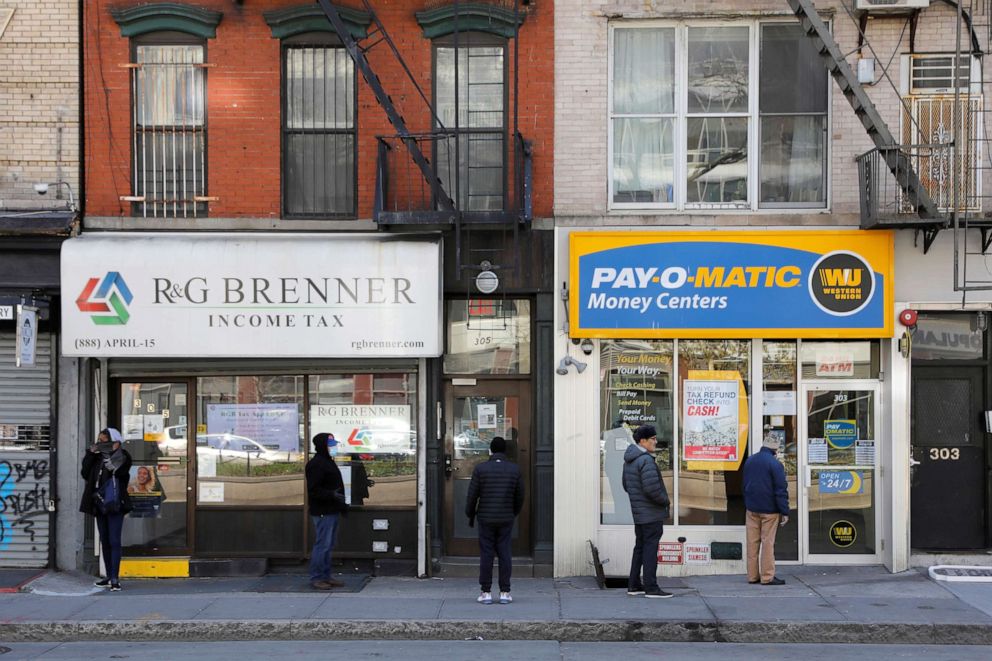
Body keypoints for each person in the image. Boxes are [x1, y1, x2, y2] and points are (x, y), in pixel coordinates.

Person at [465, 436, 524, 605]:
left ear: (490, 450)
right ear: (505, 450)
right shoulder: (515, 470)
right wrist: (513, 512)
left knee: (487, 554)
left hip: (485, 517)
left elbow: (472, 495)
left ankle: (486, 592)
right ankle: (505, 592)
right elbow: (520, 496)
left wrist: (470, 514)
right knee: (505, 553)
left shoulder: (481, 469)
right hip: (506, 517)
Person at [622, 425, 672, 599]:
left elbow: (626, 486)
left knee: (640, 547)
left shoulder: (629, 460)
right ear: (642, 441)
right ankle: (651, 587)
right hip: (651, 513)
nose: (656, 442)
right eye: (653, 439)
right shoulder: (646, 460)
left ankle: (634, 585)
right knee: (651, 549)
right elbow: (652, 490)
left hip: (639, 513)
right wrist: (666, 500)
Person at [79, 428, 132, 592]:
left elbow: (122, 473)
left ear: (115, 442)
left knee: (114, 540)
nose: (101, 444)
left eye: (104, 441)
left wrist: (111, 462)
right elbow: (85, 473)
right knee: (105, 541)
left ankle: (115, 578)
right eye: (100, 441)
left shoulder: (123, 456)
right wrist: (90, 453)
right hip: (99, 503)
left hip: (115, 503)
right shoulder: (96, 458)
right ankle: (109, 576)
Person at [742, 433, 790, 586]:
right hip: (769, 511)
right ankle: (767, 577)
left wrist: (748, 502)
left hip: (751, 509)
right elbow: (780, 490)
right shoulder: (775, 464)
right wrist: (785, 511)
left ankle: (752, 576)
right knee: (767, 543)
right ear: (776, 449)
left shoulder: (750, 460)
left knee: (752, 542)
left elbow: (744, 485)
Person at [306, 432, 349, 590]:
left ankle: (325, 575)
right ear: (323, 446)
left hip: (332, 509)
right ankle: (317, 577)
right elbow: (313, 490)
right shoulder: (317, 464)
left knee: (328, 545)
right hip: (323, 511)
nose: (334, 447)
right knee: (322, 545)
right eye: (331, 445)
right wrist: (331, 494)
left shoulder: (328, 462)